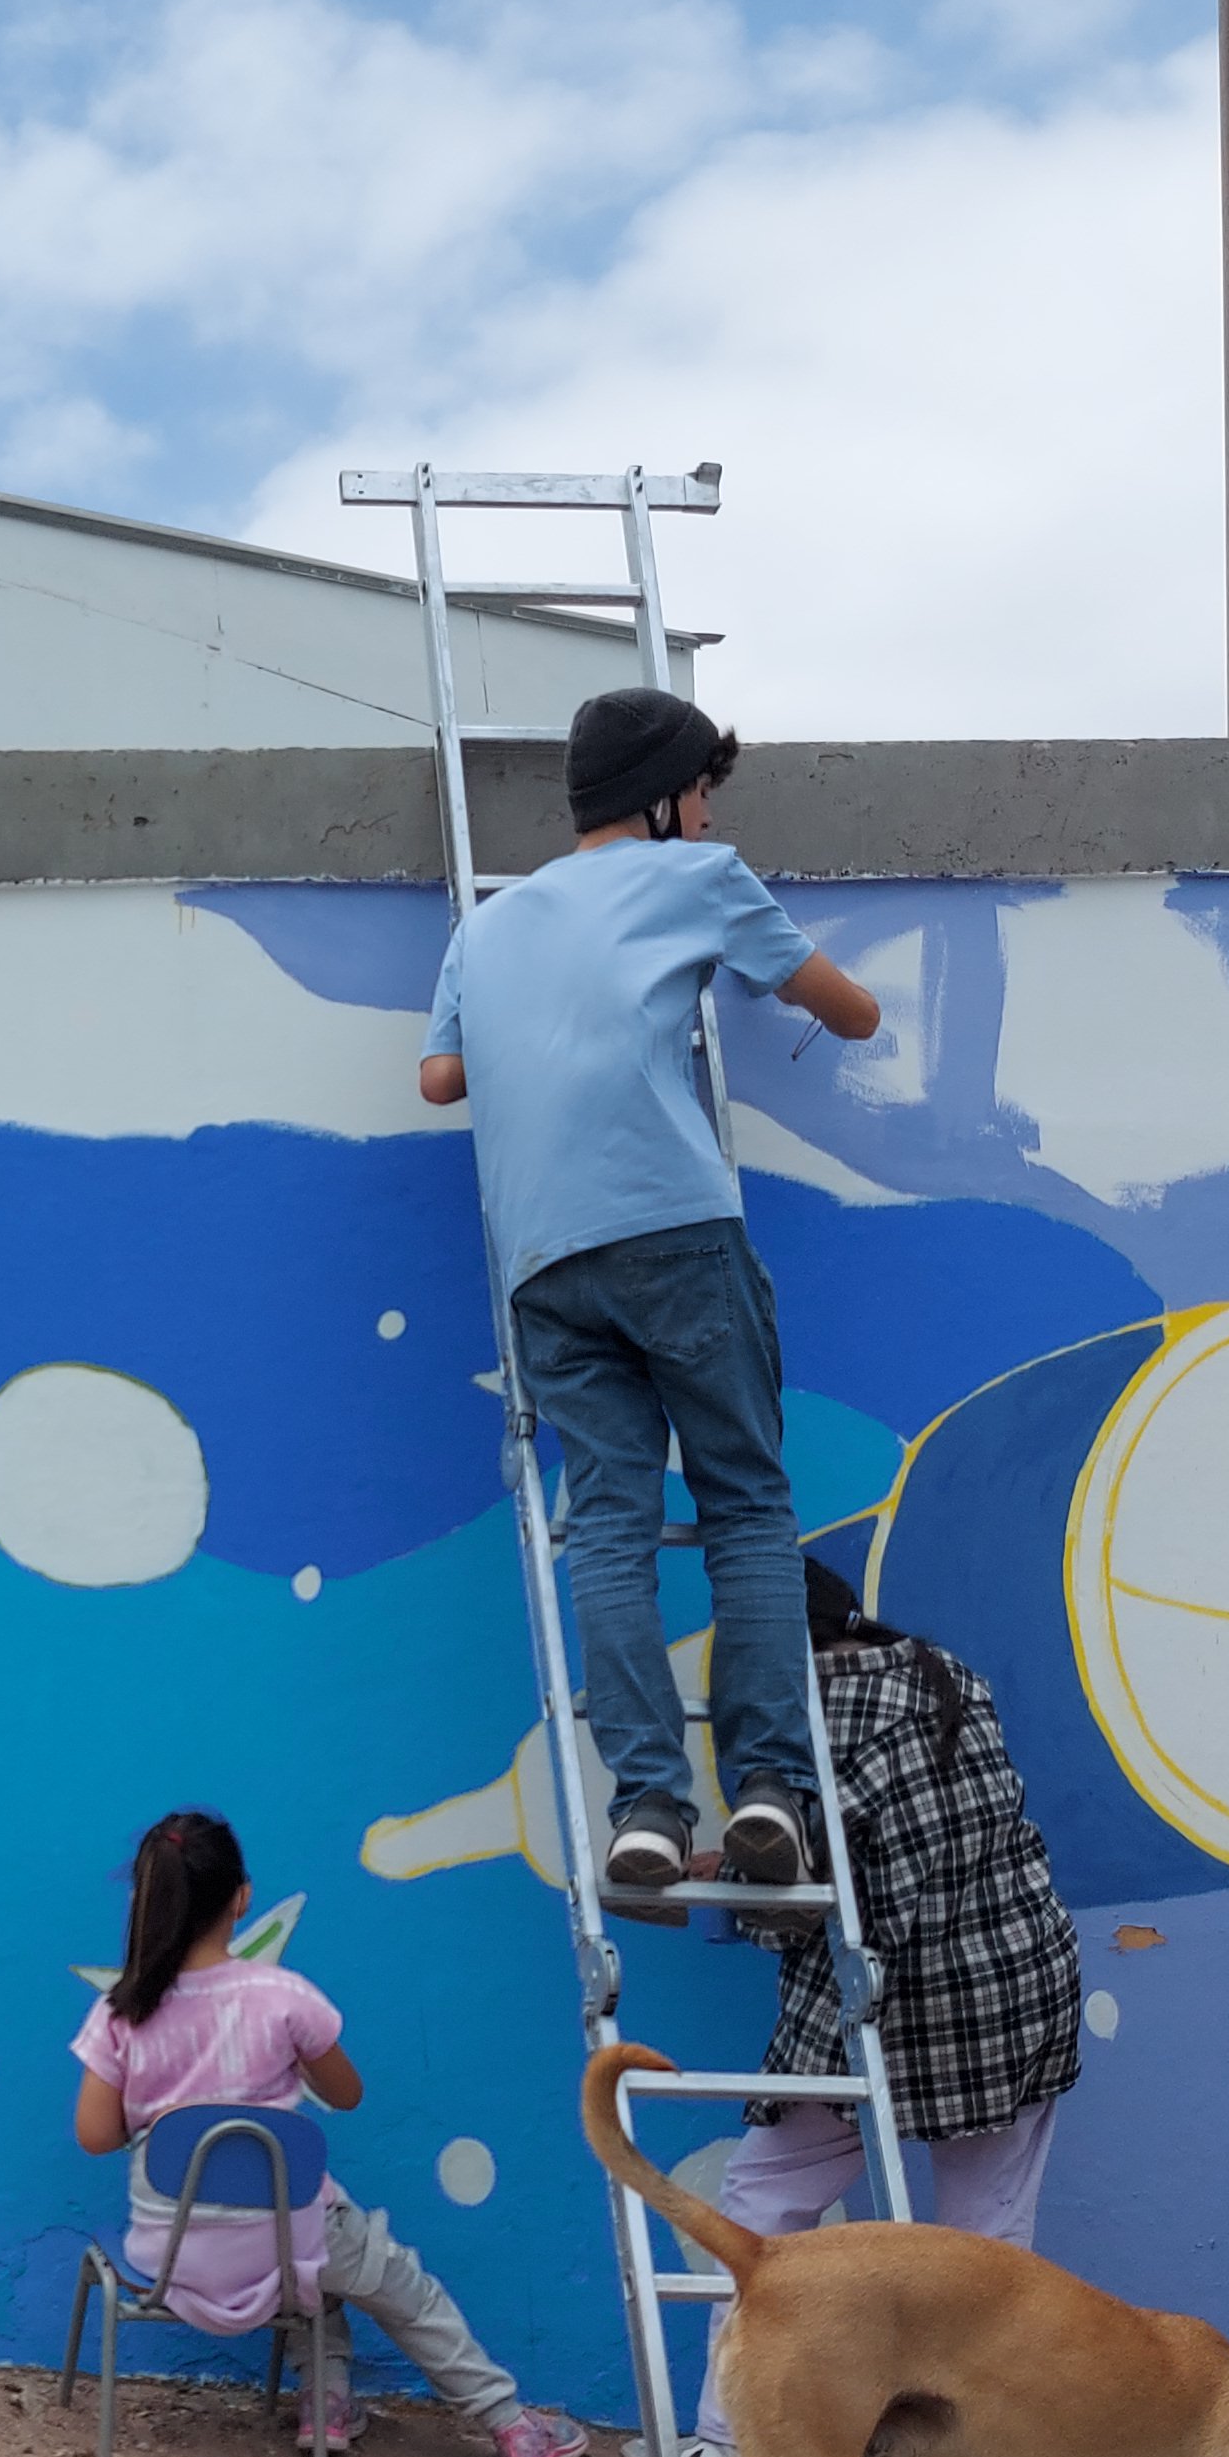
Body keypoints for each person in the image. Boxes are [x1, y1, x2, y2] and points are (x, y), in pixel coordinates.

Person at [419, 690, 884, 1892]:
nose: (710, 809)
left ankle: (643, 1807)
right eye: (702, 789)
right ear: (663, 799)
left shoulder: (486, 928)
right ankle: (770, 1788)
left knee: (611, 1525)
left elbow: (438, 1078)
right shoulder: (702, 877)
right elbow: (852, 1009)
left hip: (542, 1260)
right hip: (673, 1229)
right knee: (742, 1506)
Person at [650, 1562, 1086, 2457]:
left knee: (764, 2201)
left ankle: (731, 2441)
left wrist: (715, 1883)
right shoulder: (939, 1671)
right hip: (1018, 1987)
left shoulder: (811, 1719)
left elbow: (823, 1897)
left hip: (896, 2011)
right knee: (986, 2246)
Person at [72, 1810, 592, 2457]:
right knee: (393, 2282)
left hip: (170, 2254)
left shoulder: (121, 2011)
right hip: (287, 2241)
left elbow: (95, 2137)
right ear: (242, 1897)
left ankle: (328, 2404)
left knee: (318, 2253)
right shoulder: (285, 1997)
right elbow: (346, 2094)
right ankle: (512, 2427)